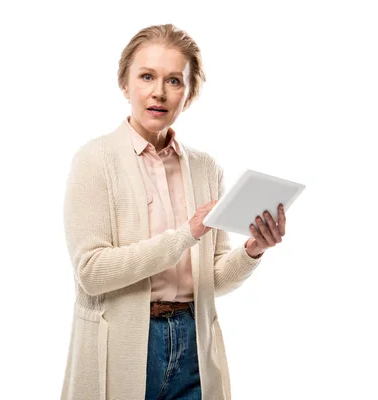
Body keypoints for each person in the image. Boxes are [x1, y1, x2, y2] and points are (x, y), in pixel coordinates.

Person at [60, 24, 286, 400]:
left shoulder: (205, 167)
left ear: (190, 93)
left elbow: (212, 279)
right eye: (146, 76)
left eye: (174, 81)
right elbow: (91, 273)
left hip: (195, 342)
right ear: (125, 83)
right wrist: (187, 234)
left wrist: (252, 251)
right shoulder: (95, 160)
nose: (158, 92)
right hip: (125, 342)